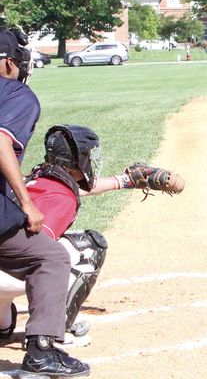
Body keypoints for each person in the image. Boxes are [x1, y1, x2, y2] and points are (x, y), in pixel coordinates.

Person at [0, 125, 186, 347]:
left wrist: (126, 181)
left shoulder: (36, 177)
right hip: (9, 271)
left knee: (5, 322)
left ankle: (3, 323)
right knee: (87, 247)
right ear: (76, 160)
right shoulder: (61, 197)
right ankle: (52, 333)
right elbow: (37, 249)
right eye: (88, 155)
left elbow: (72, 188)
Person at [0, 29, 91, 377]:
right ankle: (41, 351)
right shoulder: (17, 93)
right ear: (10, 63)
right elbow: (1, 142)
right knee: (49, 256)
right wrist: (26, 202)